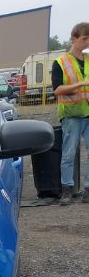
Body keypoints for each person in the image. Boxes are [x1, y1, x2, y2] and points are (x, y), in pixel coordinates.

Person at [52, 22, 89, 205]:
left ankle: (87, 190)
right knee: (68, 153)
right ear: (74, 38)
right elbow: (57, 89)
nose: (87, 42)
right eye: (84, 39)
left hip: (88, 112)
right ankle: (67, 190)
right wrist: (80, 85)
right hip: (71, 114)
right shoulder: (61, 62)